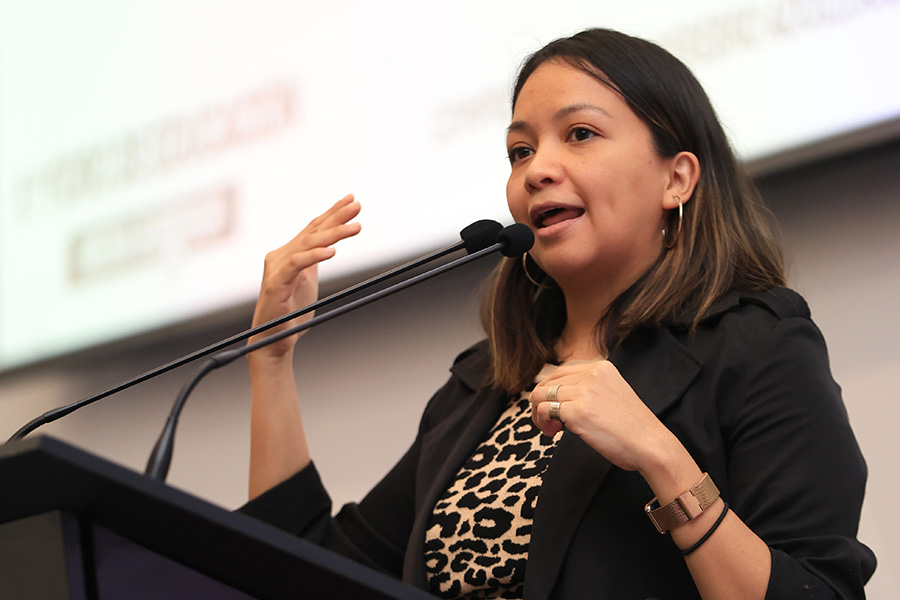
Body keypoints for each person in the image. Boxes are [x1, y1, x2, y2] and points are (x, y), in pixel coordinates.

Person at [239, 28, 875, 599]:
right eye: (519, 151)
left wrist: (662, 457)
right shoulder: (482, 386)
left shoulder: (757, 345)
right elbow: (305, 571)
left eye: (580, 134)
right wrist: (271, 361)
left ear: (676, 179)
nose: (537, 169)